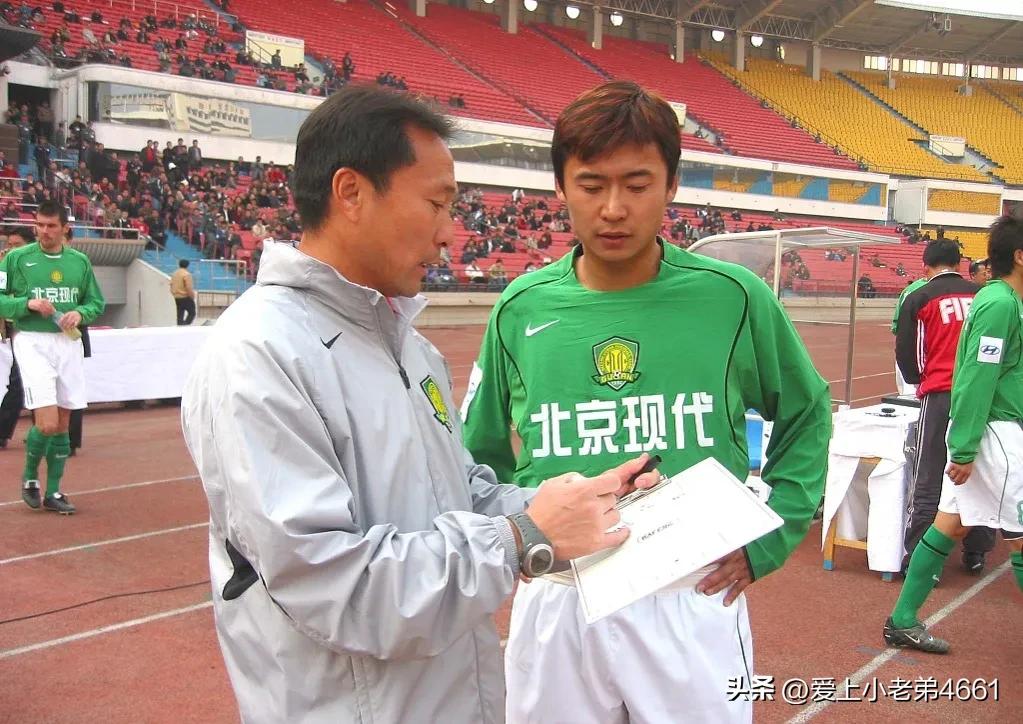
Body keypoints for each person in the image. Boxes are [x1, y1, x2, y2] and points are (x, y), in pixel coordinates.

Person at [179, 85, 661, 722]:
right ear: (351, 193)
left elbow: (460, 494)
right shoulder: (259, 354)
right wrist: (522, 536)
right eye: (437, 203)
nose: (448, 232)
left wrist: (579, 503)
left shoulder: (410, 349)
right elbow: (332, 584)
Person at [461, 81, 832, 723]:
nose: (613, 208)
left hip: (690, 591)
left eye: (636, 185)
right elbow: (479, 453)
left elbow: (806, 412)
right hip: (560, 595)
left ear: (671, 185)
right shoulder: (519, 309)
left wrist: (769, 538)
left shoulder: (733, 297)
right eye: (591, 184)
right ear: (560, 187)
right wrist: (513, 539)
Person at [884, 214, 1023, 654]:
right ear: (1020, 256)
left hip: (989, 429)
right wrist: (963, 447)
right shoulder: (999, 304)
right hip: (992, 432)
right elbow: (977, 376)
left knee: (950, 524)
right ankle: (902, 619)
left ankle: (902, 620)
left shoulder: (1005, 300)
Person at [895, 239, 994, 575]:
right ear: (960, 263)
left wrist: (919, 380)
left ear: (925, 268)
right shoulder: (982, 296)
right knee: (979, 472)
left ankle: (920, 560)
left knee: (928, 475)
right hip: (981, 396)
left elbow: (908, 354)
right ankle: (977, 550)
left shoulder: (919, 297)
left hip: (940, 394)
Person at [0, 201, 105, 514]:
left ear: (64, 228)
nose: (44, 231)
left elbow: (95, 302)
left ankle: (55, 491)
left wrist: (79, 312)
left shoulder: (80, 262)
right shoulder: (16, 259)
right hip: (32, 341)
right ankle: (30, 477)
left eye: (51, 226)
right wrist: (27, 305)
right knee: (45, 423)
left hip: (67, 342)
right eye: (40, 225)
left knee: (62, 422)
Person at [891, 274, 929, 396]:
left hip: (906, 349)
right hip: (929, 352)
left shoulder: (909, 289)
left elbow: (896, 324)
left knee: (906, 393)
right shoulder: (939, 289)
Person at [170, 258, 196, 325]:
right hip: (185, 296)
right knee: (192, 312)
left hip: (177, 296)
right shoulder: (186, 274)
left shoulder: (174, 273)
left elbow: (171, 284)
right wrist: (192, 296)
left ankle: (180, 325)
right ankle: (185, 325)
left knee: (180, 314)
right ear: (187, 265)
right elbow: (188, 287)